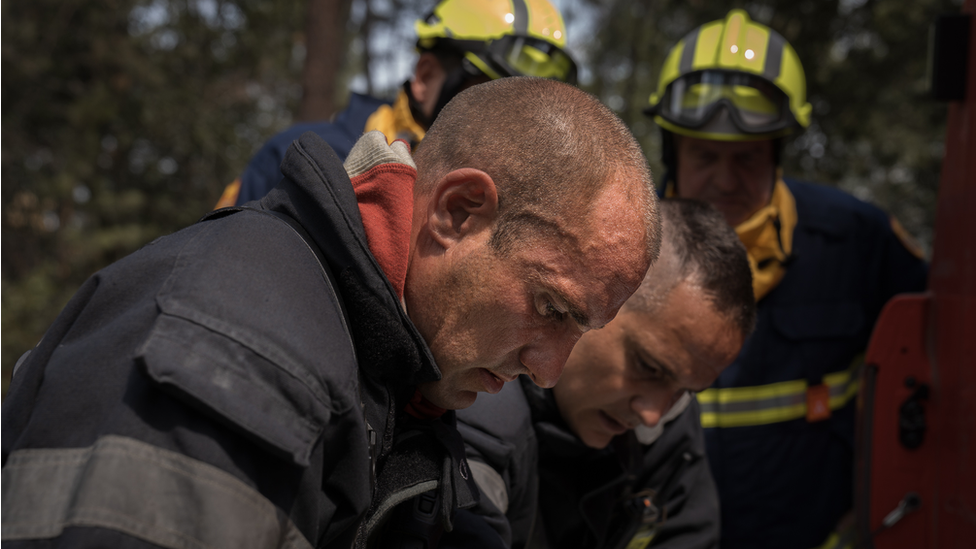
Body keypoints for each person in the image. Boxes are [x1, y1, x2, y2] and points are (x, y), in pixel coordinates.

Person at [0, 77, 659, 549]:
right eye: (550, 306)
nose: (549, 369)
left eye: (581, 330)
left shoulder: (398, 370)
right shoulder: (232, 350)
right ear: (456, 212)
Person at [642, 10, 929, 549]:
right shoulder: (623, 251)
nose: (725, 179)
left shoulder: (854, 240)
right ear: (670, 148)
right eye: (705, 155)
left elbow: (941, 348)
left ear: (777, 153)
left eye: (747, 158)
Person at [440, 199, 756, 549]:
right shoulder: (471, 409)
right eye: (648, 368)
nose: (652, 414)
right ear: (596, 299)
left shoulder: (670, 427)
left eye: (685, 390)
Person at [215, 0, 578, 208]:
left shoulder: (511, 205)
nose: (506, 123)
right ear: (424, 77)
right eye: (486, 95)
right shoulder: (300, 161)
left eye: (522, 109)